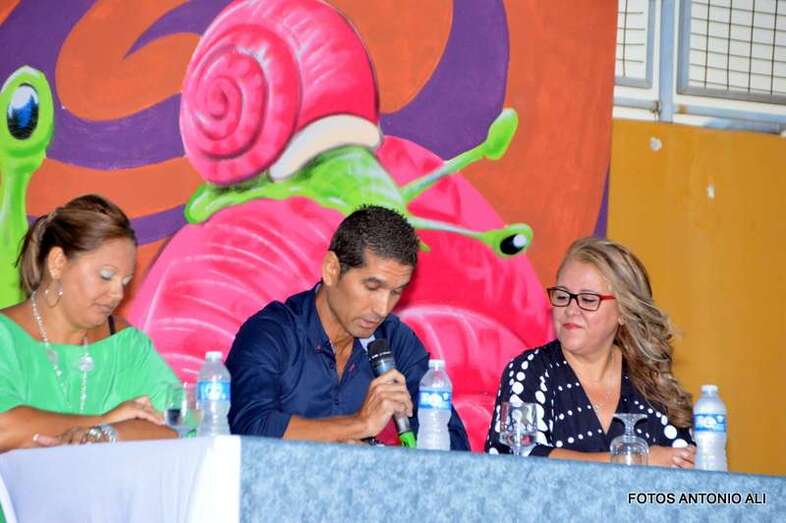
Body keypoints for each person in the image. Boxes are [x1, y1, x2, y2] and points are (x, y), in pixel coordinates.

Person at [227, 205, 469, 448]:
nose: (382, 308)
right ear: (332, 269)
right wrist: (360, 424)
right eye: (372, 287)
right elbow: (249, 428)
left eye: (395, 292)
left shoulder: (395, 340)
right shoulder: (271, 333)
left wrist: (378, 457)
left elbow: (454, 444)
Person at [485, 237, 696, 467]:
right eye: (562, 296)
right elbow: (517, 457)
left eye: (587, 299)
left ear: (623, 312)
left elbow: (689, 472)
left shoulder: (650, 382)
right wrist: (636, 460)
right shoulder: (529, 371)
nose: (570, 310)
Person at [0, 194, 178, 451]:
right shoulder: (6, 337)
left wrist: (106, 434)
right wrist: (101, 422)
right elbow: (4, 427)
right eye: (106, 276)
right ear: (58, 263)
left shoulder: (126, 345)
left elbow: (176, 428)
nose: (117, 293)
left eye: (125, 281)